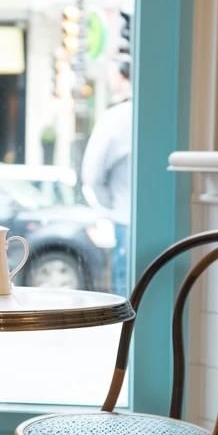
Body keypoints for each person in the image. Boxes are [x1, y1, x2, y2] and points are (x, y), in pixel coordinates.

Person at [81, 55, 132, 298]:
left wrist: (110, 204)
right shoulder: (164, 113)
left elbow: (92, 173)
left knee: (127, 295)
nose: (112, 85)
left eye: (114, 77)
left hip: (125, 218)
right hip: (163, 216)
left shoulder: (117, 117)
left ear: (125, 78)